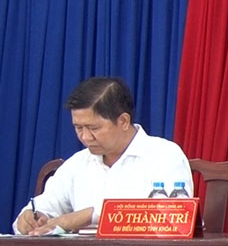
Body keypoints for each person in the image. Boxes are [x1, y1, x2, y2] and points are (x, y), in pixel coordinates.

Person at [13, 77, 193, 235]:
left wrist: (89, 215)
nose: (85, 137)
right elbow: (44, 207)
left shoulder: (164, 155)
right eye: (78, 128)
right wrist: (30, 218)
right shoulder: (77, 163)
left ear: (123, 121)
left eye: (93, 128)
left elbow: (175, 219)